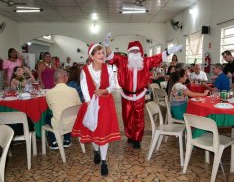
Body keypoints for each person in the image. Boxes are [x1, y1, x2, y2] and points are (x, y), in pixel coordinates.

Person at [104, 33, 182, 149]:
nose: (135, 53)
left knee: (139, 117)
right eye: (132, 51)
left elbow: (158, 57)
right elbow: (111, 56)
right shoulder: (123, 60)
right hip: (126, 95)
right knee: (127, 117)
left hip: (140, 94)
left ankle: (137, 138)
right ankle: (130, 135)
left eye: (137, 51)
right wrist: (107, 45)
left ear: (140, 52)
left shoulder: (145, 62)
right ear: (129, 52)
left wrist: (169, 51)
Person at [72, 43, 121, 176]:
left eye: (102, 53)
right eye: (98, 53)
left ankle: (104, 161)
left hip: (106, 104)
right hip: (90, 105)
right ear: (92, 56)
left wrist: (105, 90)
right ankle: (95, 151)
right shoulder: (85, 70)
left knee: (103, 133)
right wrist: (89, 104)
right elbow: (84, 88)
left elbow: (113, 85)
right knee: (93, 131)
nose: (102, 55)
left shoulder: (108, 68)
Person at [45, 69, 81, 150]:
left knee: (48, 115)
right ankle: (67, 139)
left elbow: (51, 108)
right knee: (68, 113)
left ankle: (54, 141)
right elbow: (79, 105)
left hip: (59, 124)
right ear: (65, 78)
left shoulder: (49, 92)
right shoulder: (73, 90)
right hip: (72, 123)